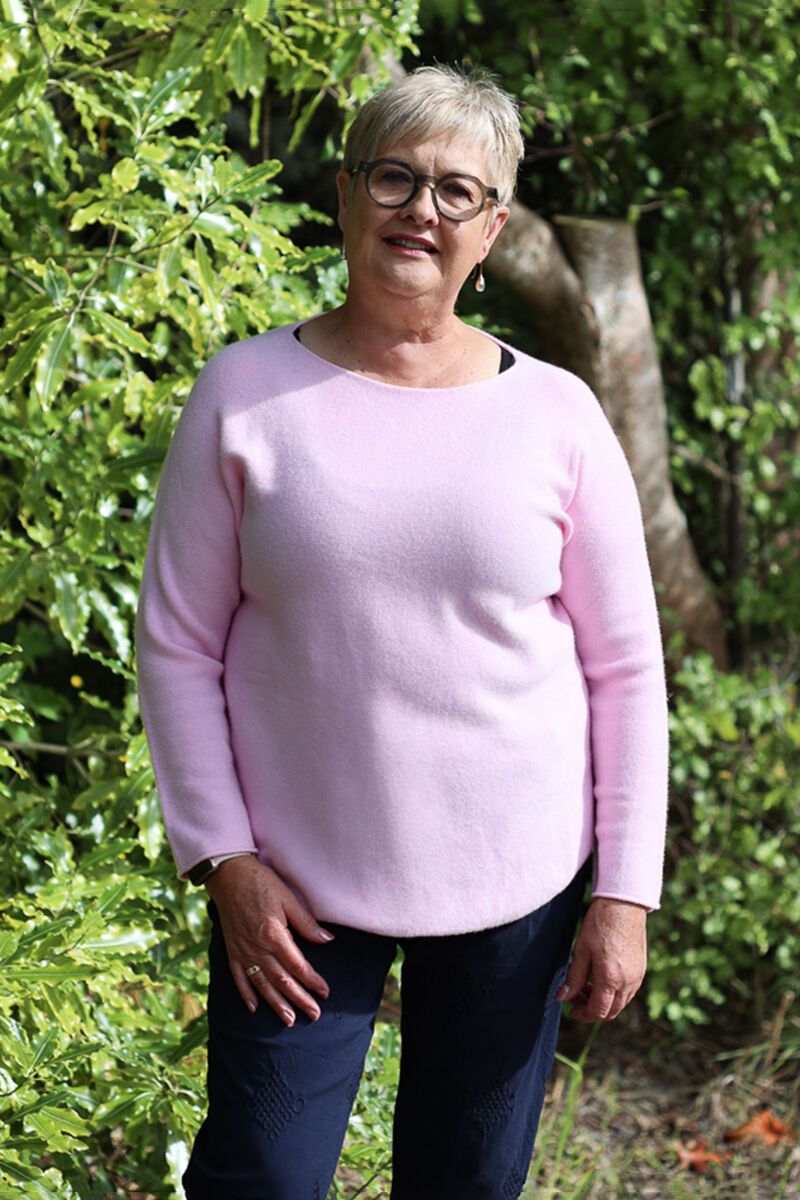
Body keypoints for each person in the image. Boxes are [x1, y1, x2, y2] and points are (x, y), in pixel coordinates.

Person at [135, 63, 669, 1200]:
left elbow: (625, 669)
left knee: (463, 1184)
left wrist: (623, 893)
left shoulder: (558, 414)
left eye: (456, 191)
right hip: (291, 886)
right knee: (260, 1180)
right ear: (344, 195)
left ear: (493, 228)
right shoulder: (242, 395)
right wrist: (223, 860)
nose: (420, 210)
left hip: (516, 882)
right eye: (394, 178)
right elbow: (179, 645)